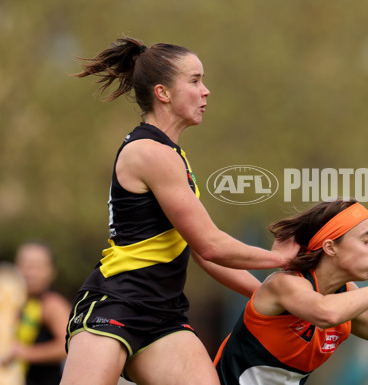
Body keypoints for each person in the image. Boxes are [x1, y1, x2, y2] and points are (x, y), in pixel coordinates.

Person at [59, 36, 298, 385]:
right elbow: (211, 245)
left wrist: (265, 294)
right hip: (115, 303)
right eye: (195, 80)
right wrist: (282, 260)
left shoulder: (174, 156)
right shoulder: (150, 152)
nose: (206, 91)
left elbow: (204, 255)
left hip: (163, 316)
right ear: (163, 93)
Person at [213, 199, 368, 384]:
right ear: (330, 247)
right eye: (365, 240)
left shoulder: (343, 293)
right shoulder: (286, 284)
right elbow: (326, 313)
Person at [11, 241, 71, 385]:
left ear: (51, 271)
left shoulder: (53, 304)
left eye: (38, 266)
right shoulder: (12, 300)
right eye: (25, 265)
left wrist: (25, 353)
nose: (30, 272)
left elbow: (67, 346)